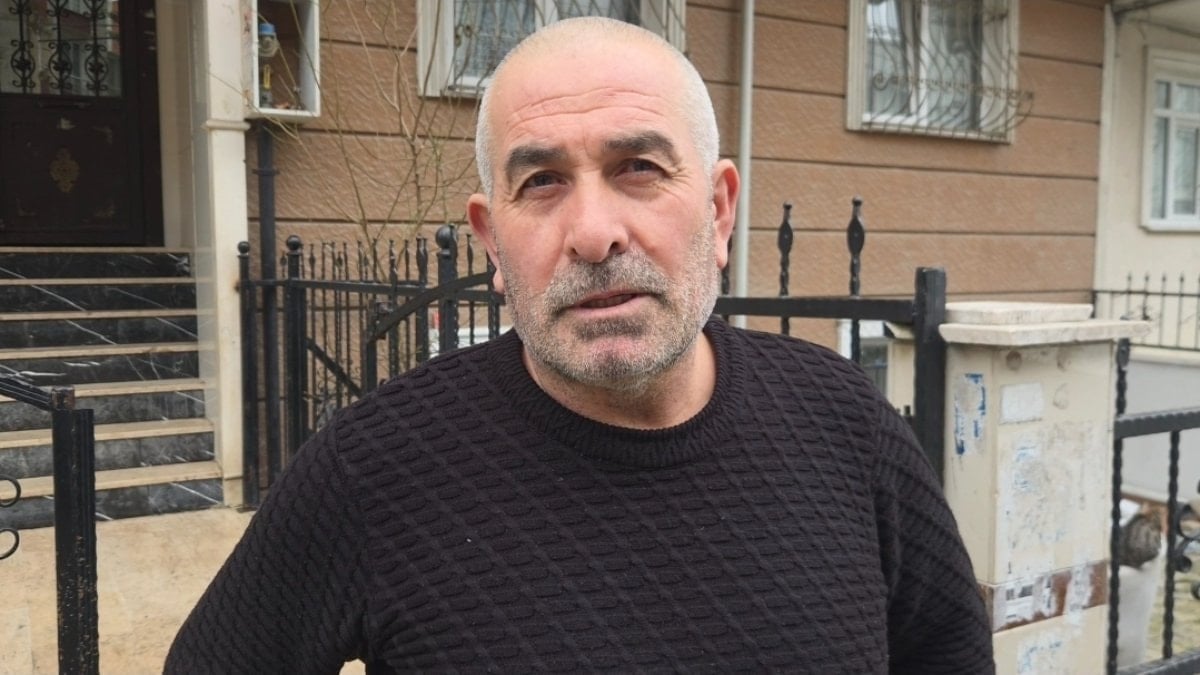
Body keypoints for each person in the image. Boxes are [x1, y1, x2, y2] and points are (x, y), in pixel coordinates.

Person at [166, 17, 993, 673]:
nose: (594, 233)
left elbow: (949, 654)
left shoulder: (847, 425)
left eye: (639, 167)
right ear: (491, 240)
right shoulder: (373, 468)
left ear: (719, 211)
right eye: (542, 182)